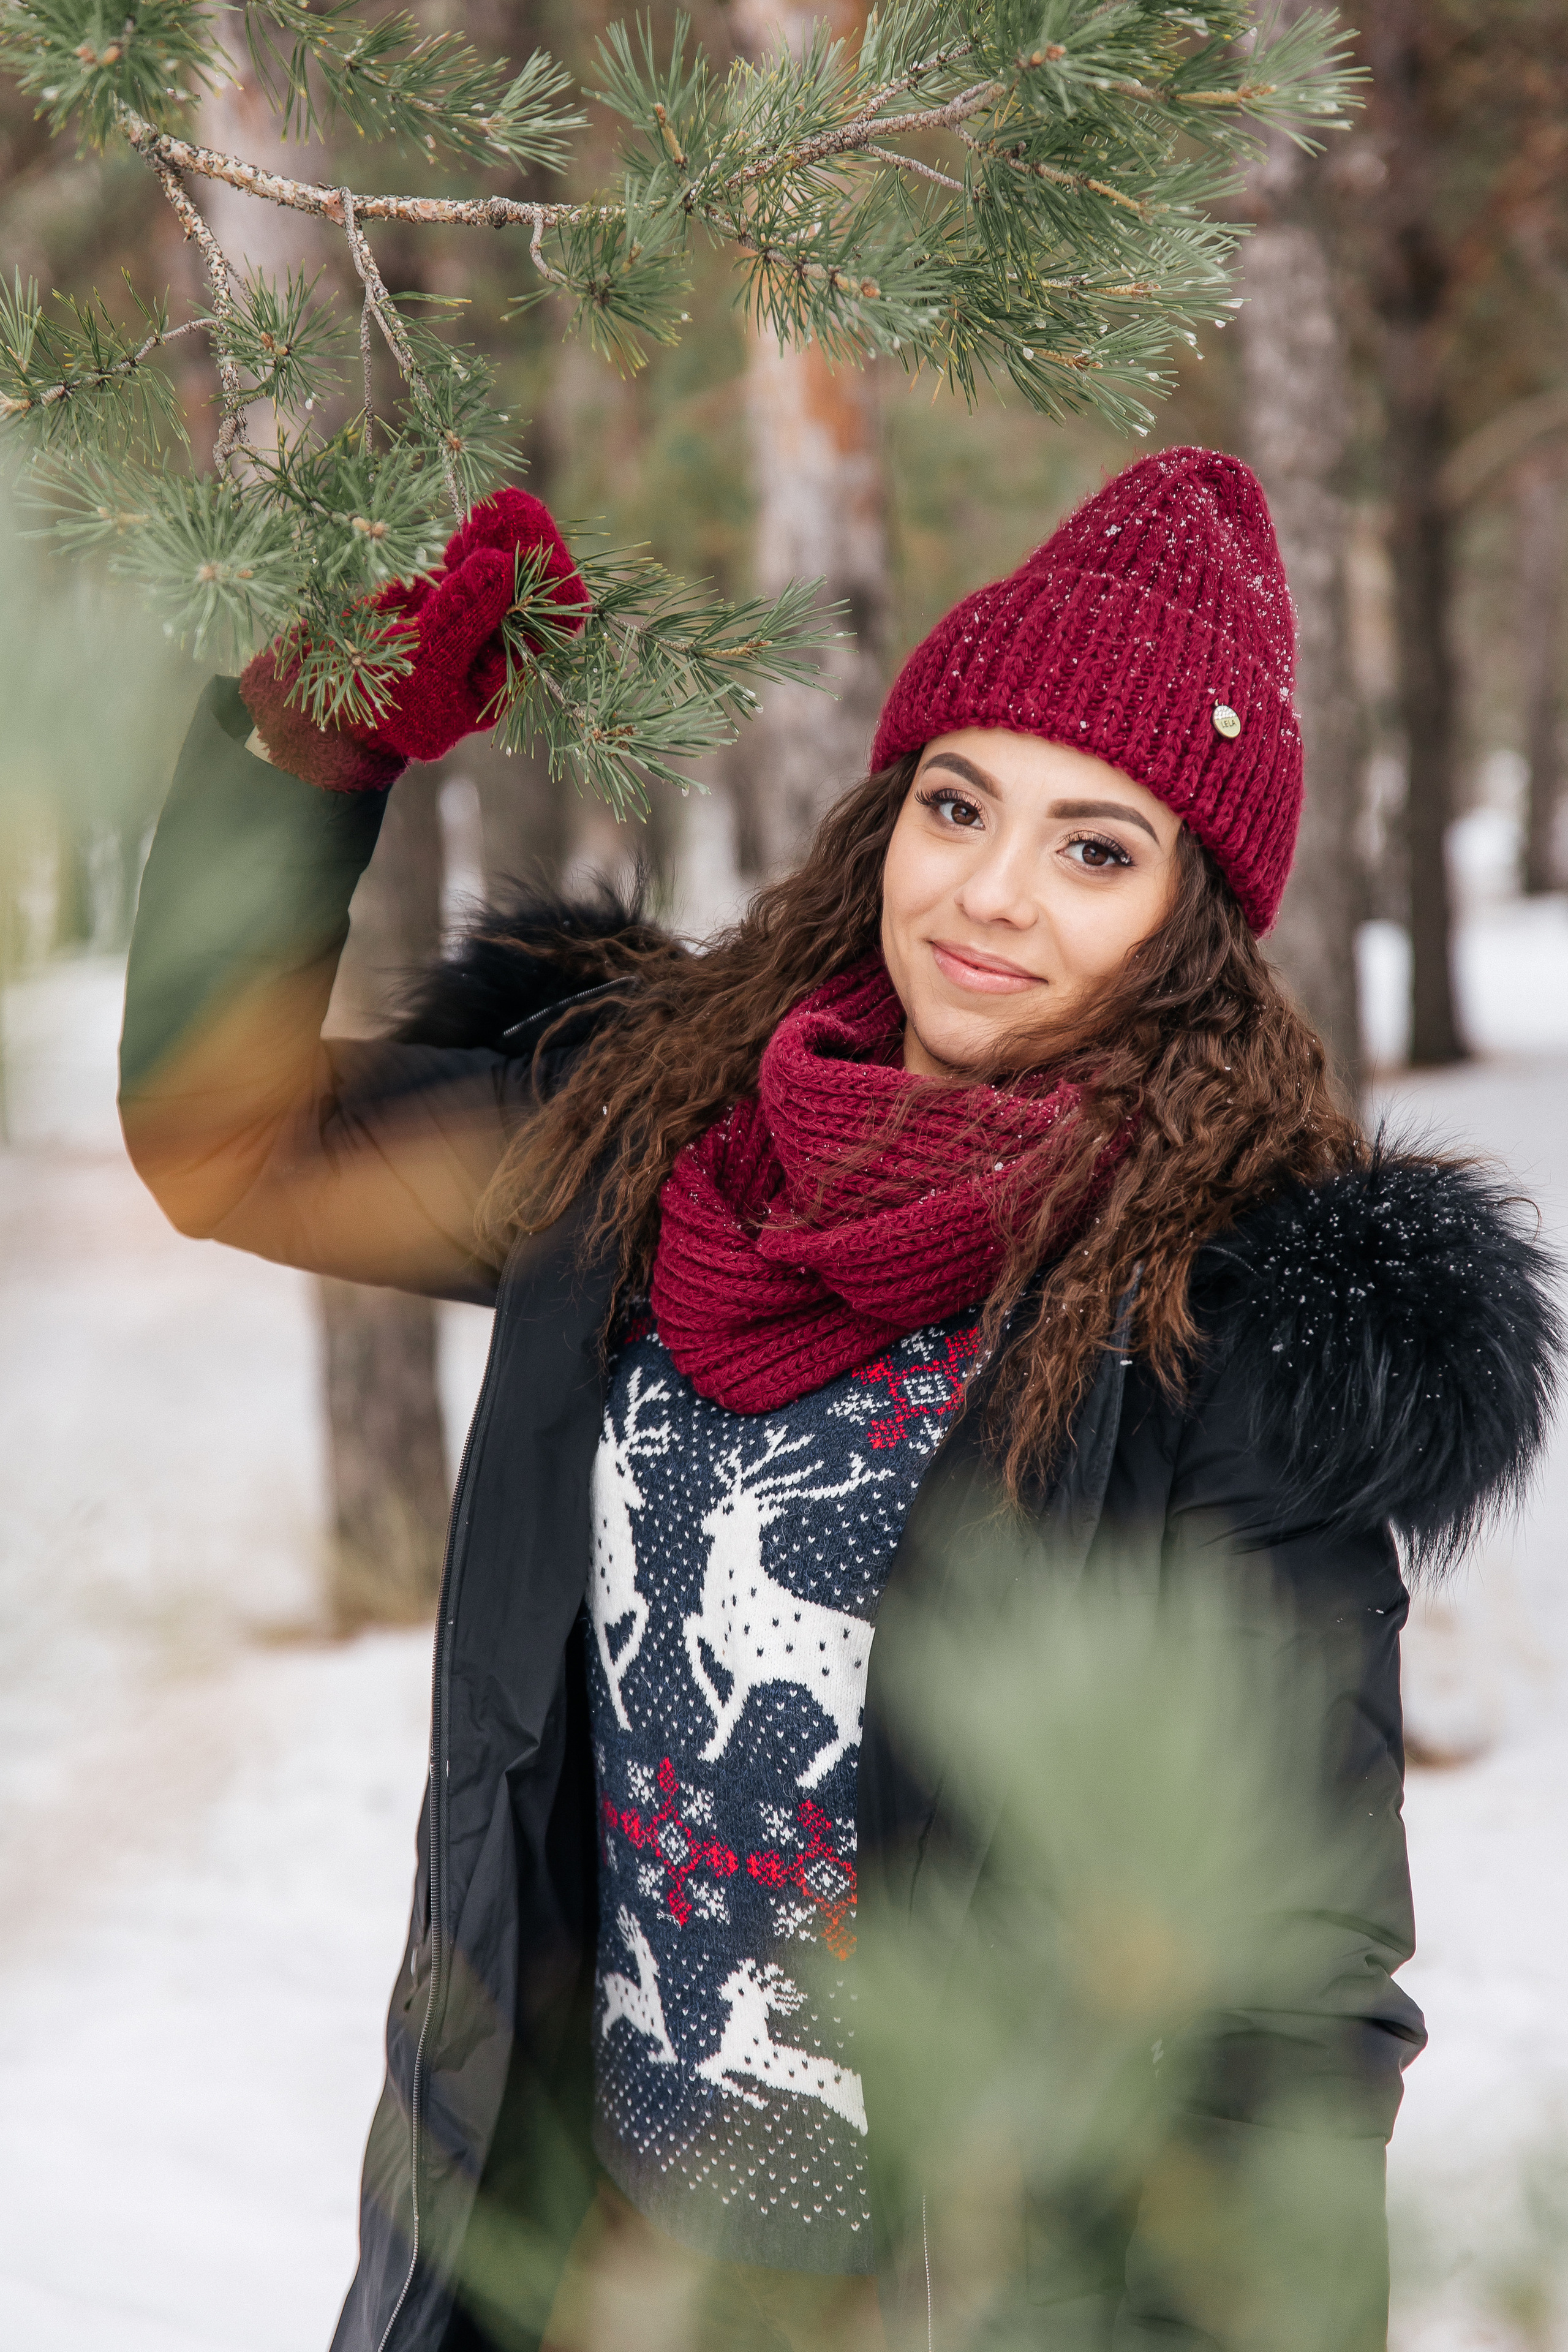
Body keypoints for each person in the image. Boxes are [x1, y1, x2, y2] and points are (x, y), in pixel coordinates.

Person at [119, 448, 1558, 2352]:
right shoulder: (642, 1142)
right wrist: (314, 756)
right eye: (957, 803)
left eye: (1096, 848)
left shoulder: (1224, 1323)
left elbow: (1285, 1993)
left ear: (1196, 922)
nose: (990, 894)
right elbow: (228, 1135)